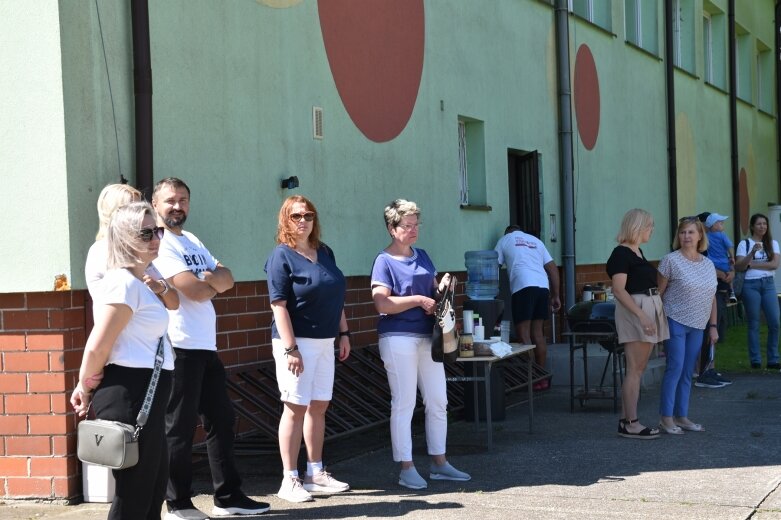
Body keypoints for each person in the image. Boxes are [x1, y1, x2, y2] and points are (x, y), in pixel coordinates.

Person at [151, 178, 269, 519]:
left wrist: (209, 280)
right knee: (180, 426)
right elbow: (196, 291)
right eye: (170, 200)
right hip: (179, 345)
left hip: (205, 344)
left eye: (183, 199)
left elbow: (228, 277)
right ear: (156, 205)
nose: (178, 206)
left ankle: (228, 497)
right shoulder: (161, 244)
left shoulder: (191, 240)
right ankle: (178, 503)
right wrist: (209, 281)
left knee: (222, 420)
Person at [71, 202, 175, 519]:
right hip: (130, 392)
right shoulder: (123, 283)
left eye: (157, 230)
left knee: (153, 488)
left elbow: (175, 302)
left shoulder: (139, 281)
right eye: (146, 233)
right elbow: (97, 347)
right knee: (135, 493)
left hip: (147, 392)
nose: (155, 238)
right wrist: (84, 387)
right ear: (125, 238)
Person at [371, 199, 471, 490]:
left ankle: (439, 463)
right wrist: (417, 300)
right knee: (404, 403)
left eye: (417, 224)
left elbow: (433, 290)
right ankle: (406, 467)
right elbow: (381, 303)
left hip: (429, 337)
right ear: (392, 228)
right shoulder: (384, 261)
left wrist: (444, 287)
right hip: (397, 337)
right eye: (407, 225)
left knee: (439, 400)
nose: (414, 230)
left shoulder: (423, 255)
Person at [265, 195, 352, 503]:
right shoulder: (281, 256)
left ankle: (316, 473)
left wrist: (344, 332)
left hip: (326, 341)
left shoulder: (325, 252)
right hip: (295, 343)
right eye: (296, 216)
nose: (303, 221)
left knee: (318, 406)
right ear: (285, 220)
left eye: (309, 215)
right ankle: (290, 480)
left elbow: (335, 296)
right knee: (295, 407)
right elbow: (279, 305)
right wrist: (290, 349)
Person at [606, 209, 668, 439]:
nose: (651, 230)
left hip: (646, 307)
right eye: (649, 226)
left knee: (637, 370)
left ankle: (627, 420)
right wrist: (642, 315)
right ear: (638, 227)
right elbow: (619, 290)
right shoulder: (621, 253)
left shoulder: (637, 252)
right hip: (637, 310)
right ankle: (631, 423)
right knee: (635, 369)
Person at [657, 217, 718, 434]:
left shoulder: (708, 264)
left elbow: (712, 297)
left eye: (691, 232)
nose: (686, 237)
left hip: (699, 325)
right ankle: (666, 418)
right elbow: (659, 295)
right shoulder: (670, 261)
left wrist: (713, 326)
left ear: (700, 235)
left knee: (687, 372)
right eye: (683, 232)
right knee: (674, 368)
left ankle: (681, 416)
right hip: (675, 321)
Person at [85, 183, 178, 310]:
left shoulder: (139, 249)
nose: (139, 211)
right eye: (132, 207)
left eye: (139, 205)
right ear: (114, 211)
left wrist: (161, 287)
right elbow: (116, 303)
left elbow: (174, 303)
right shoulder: (102, 250)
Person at [494, 224, 561, 390]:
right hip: (542, 287)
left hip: (523, 286)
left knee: (524, 335)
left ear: (508, 231)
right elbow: (552, 268)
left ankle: (531, 377)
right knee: (538, 333)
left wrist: (492, 294)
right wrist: (556, 295)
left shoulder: (504, 240)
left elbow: (493, 266)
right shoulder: (536, 241)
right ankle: (542, 378)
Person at [734, 213, 781, 370]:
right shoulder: (744, 244)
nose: (763, 226)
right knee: (754, 323)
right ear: (752, 226)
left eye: (765, 224)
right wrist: (752, 253)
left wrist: (751, 264)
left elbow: (774, 265)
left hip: (768, 284)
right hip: (750, 285)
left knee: (774, 321)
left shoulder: (773, 243)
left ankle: (773, 359)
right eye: (759, 224)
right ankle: (755, 360)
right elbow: (739, 266)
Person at [695, 212, 734, 388]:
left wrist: (730, 272)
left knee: (714, 329)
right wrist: (722, 273)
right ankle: (702, 372)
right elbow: (703, 264)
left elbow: (729, 258)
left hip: (718, 289)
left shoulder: (710, 240)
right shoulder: (699, 244)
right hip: (706, 292)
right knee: (707, 331)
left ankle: (710, 368)